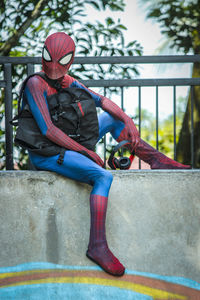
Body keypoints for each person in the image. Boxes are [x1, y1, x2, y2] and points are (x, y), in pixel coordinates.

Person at [19, 32, 190, 277]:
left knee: (112, 119)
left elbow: (102, 101)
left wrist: (127, 120)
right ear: (45, 57)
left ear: (69, 62)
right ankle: (97, 245)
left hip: (69, 144)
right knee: (103, 177)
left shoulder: (67, 81)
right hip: (46, 152)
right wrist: (85, 151)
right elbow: (48, 130)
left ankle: (155, 159)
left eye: (60, 64)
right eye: (51, 62)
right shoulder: (37, 84)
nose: (54, 68)